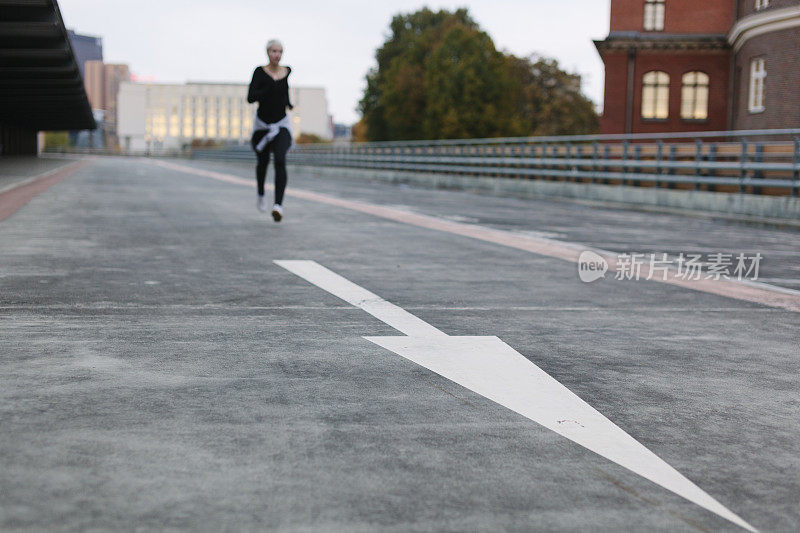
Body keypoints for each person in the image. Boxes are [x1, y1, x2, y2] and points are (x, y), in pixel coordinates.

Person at [247, 39, 293, 222]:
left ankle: (278, 206)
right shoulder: (259, 72)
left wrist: (288, 103)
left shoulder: (287, 71)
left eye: (280, 51)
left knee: (280, 160)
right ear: (268, 52)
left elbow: (285, 92)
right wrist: (265, 89)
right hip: (262, 126)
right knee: (263, 163)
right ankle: (260, 193)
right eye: (274, 51)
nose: (277, 55)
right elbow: (250, 97)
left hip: (281, 125)